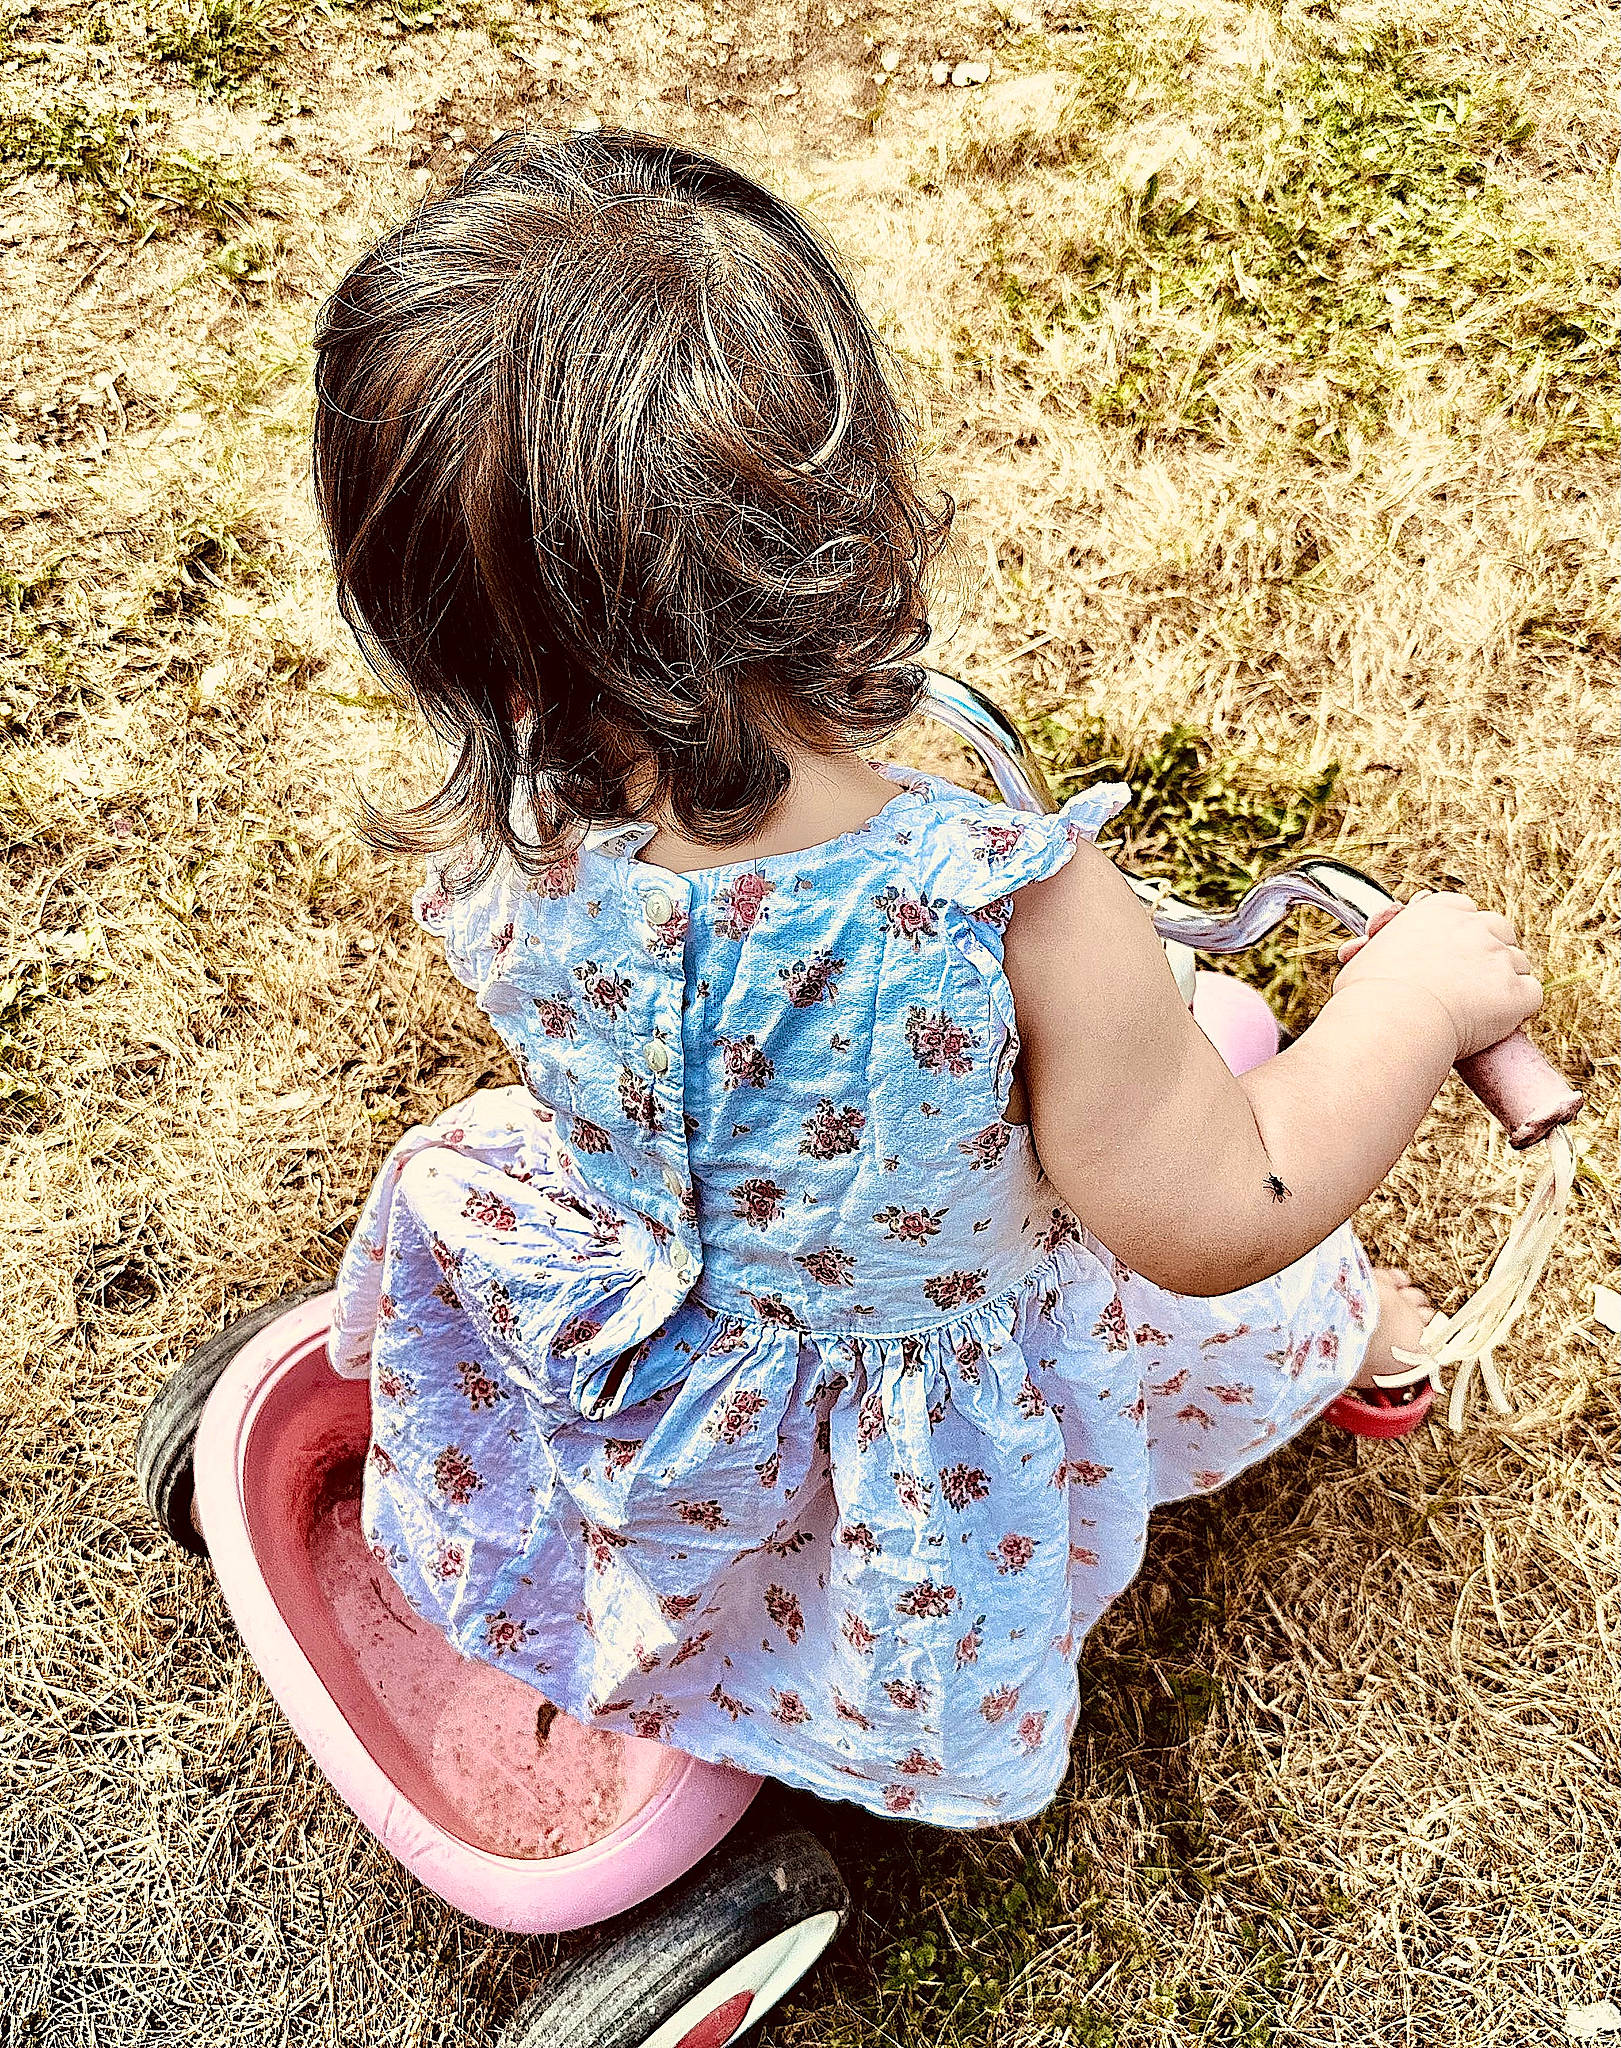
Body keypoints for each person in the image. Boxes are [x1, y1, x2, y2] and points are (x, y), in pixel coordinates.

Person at [311, 129, 1544, 1827]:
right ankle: (1351, 1350)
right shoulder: (1014, 918)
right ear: (863, 517)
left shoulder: (509, 819)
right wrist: (1412, 1003)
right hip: (909, 1371)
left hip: (668, 1304)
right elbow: (1215, 1211)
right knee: (1235, 1275)